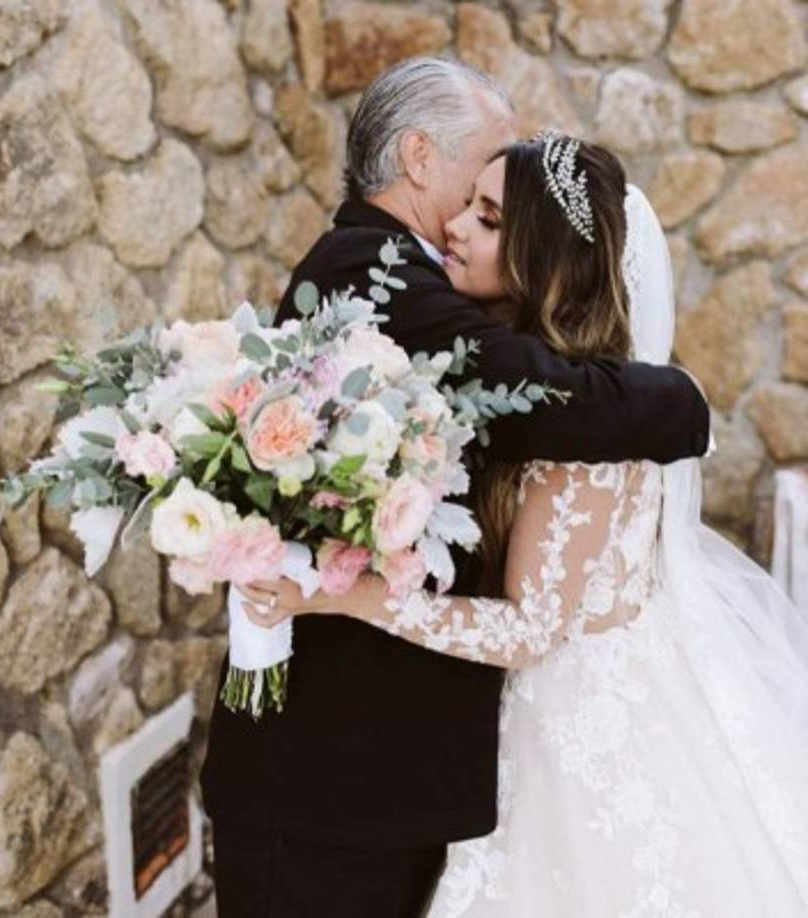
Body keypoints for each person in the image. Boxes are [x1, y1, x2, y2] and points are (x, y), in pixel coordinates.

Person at [244, 135, 808, 916]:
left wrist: (344, 595)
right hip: (534, 722)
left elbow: (529, 632)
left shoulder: (586, 432)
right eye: (466, 207)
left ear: (542, 254)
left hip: (581, 738)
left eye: (487, 219)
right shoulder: (568, 387)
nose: (457, 231)